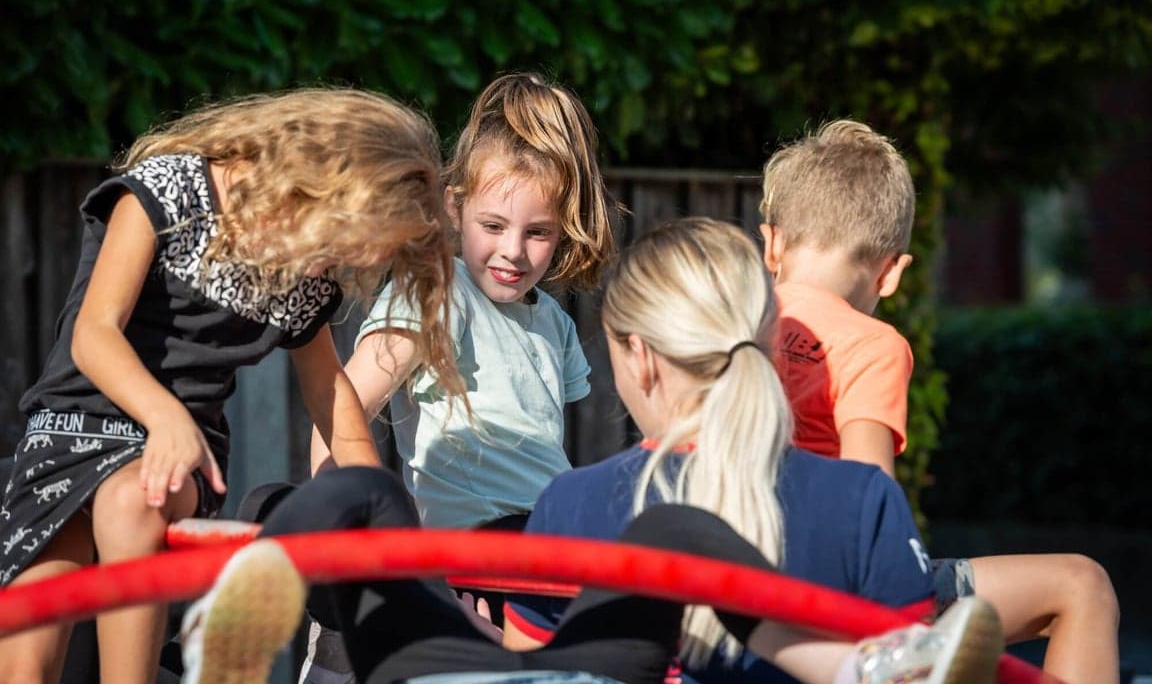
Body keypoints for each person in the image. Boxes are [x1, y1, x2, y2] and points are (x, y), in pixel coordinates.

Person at [0, 87, 462, 684]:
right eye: (346, 243)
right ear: (326, 187)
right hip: (70, 430)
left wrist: (369, 497)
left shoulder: (303, 276)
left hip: (173, 455)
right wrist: (164, 416)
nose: (340, 265)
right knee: (24, 660)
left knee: (132, 498)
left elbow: (328, 391)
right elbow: (94, 336)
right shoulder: (167, 193)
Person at [498, 217, 1003, 683]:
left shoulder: (571, 504)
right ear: (768, 338)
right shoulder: (863, 499)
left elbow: (536, 675)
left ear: (642, 358)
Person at [180, 431, 1002, 684]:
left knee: (361, 488)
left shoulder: (395, 631)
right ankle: (860, 669)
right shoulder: (384, 619)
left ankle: (874, 671)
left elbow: (350, 494)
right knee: (674, 534)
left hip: (481, 670)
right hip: (574, 675)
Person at [758, 118, 1120, 684]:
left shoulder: (733, 322)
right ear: (893, 273)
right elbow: (866, 494)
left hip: (736, 572)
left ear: (772, 242)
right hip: (834, 591)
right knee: (1082, 585)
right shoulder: (871, 344)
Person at [300, 71, 617, 681]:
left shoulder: (551, 321)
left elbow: (543, 453)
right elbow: (341, 401)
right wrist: (334, 510)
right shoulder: (439, 292)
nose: (513, 252)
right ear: (455, 205)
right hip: (468, 557)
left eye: (539, 233)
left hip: (544, 557)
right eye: (493, 226)